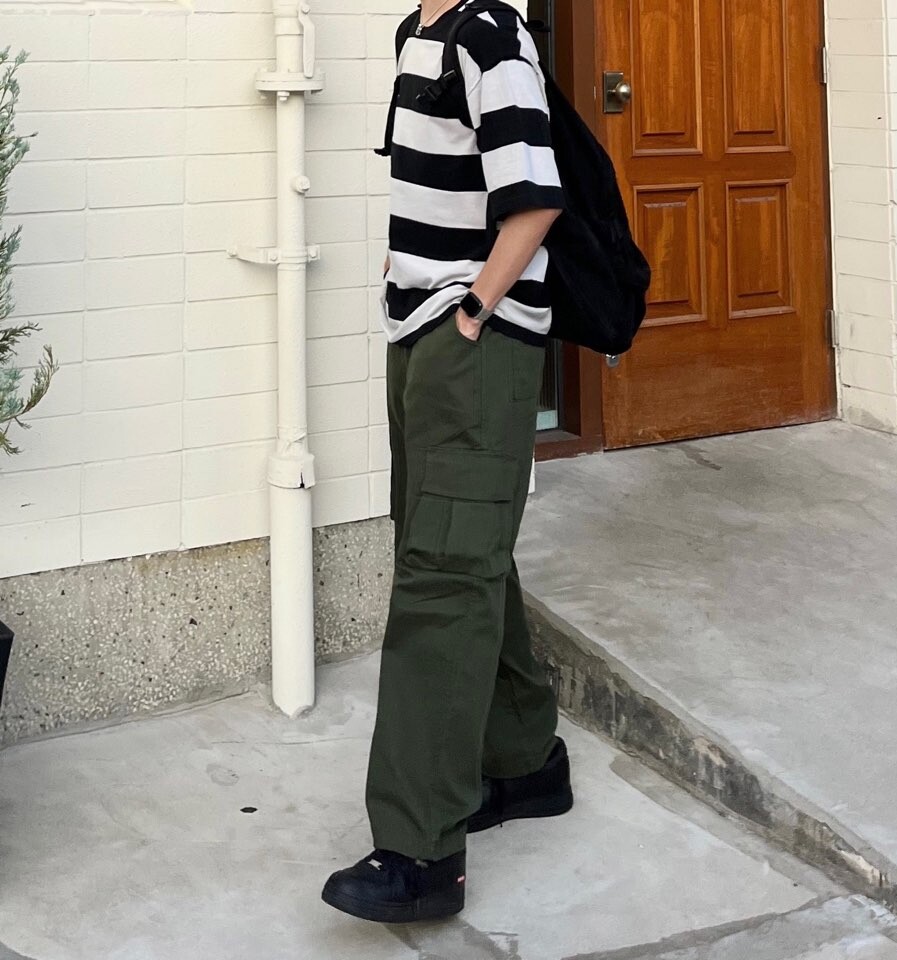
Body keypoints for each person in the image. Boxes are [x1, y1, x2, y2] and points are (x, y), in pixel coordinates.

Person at [322, 0, 573, 923]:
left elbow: (535, 197)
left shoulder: (490, 35)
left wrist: (471, 310)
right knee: (456, 550)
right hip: (423, 338)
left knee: (443, 573)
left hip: (474, 342)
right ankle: (524, 761)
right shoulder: (417, 32)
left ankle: (421, 851)